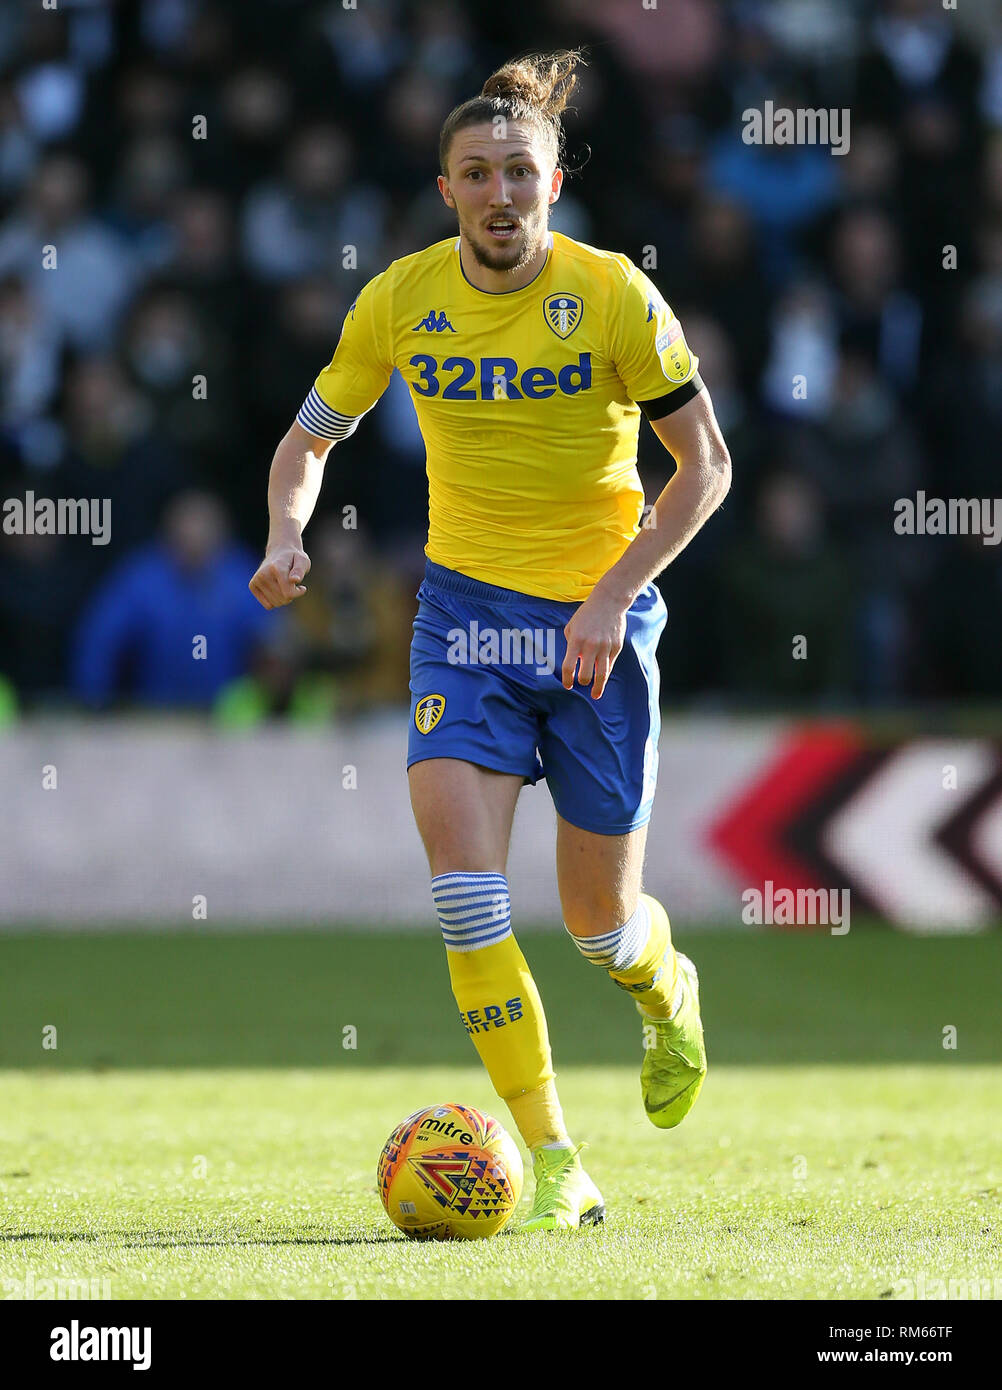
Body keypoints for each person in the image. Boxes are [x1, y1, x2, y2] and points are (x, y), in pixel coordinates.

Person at [249, 50, 731, 1232]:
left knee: (598, 927)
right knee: (469, 901)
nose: (500, 193)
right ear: (447, 187)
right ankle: (555, 1155)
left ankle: (664, 986)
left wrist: (614, 595)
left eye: (521, 171)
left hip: (596, 632)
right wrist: (283, 536)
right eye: (478, 174)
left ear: (553, 183)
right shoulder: (401, 298)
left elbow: (704, 467)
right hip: (463, 625)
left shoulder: (618, 294)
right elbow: (311, 439)